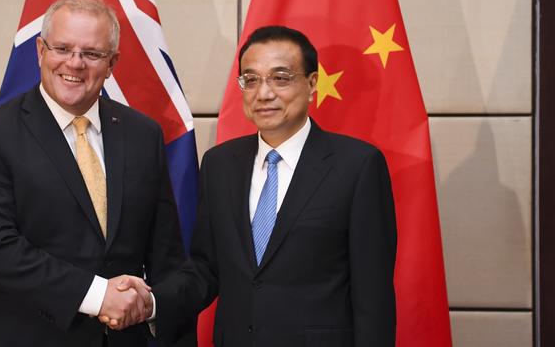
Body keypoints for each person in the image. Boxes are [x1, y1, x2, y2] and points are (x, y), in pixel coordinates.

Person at [0, 0, 192, 347]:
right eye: (62, 48)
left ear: (112, 62)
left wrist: (152, 304)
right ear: (40, 51)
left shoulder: (143, 134)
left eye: (92, 53)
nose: (75, 63)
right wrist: (99, 295)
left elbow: (166, 255)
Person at [149, 26, 397, 346]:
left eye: (280, 78)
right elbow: (206, 269)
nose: (263, 93)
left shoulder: (357, 166)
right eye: (250, 79)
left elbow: (373, 296)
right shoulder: (219, 164)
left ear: (311, 84)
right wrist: (152, 301)